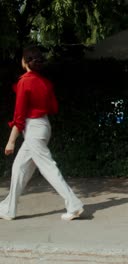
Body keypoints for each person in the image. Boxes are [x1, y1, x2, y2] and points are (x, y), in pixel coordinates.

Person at [1, 47, 84, 221]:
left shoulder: (25, 82)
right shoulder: (45, 83)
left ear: (24, 62)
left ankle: (74, 204)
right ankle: (8, 208)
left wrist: (11, 141)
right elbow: (53, 108)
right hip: (43, 126)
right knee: (19, 168)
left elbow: (19, 116)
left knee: (48, 168)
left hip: (33, 129)